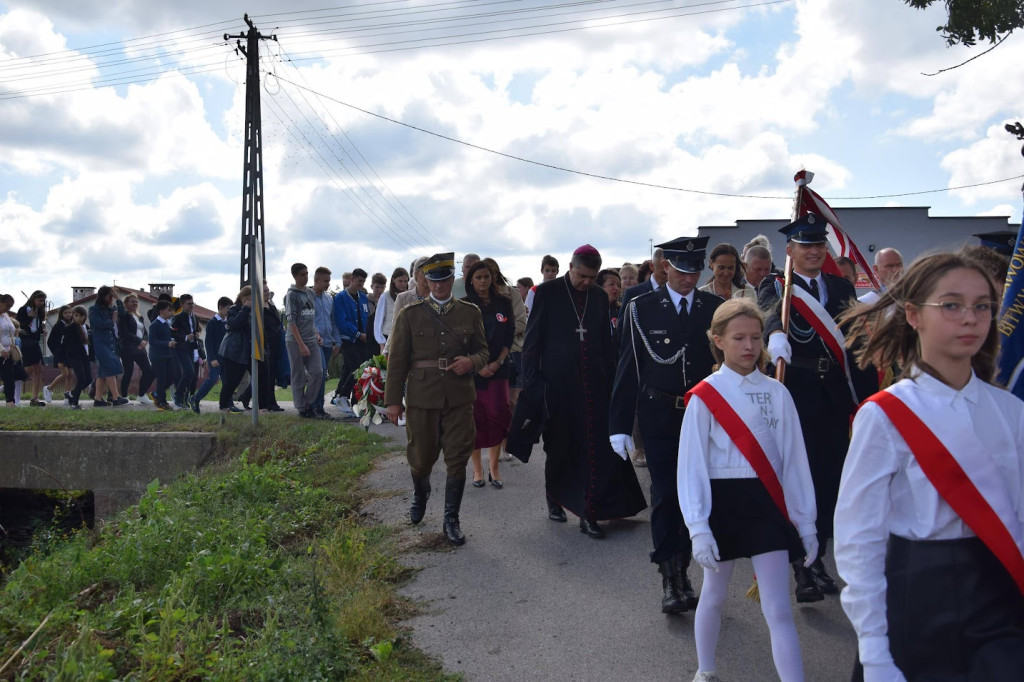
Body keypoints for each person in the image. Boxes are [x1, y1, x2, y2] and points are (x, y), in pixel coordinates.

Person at [835, 252, 1024, 681]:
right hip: (916, 599)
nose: (971, 318)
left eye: (982, 306)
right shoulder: (885, 415)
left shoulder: (1011, 412)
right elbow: (858, 539)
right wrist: (875, 652)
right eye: (952, 305)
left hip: (1000, 599)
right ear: (914, 315)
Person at [679, 299, 817, 682]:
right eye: (738, 337)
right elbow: (691, 467)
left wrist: (806, 523)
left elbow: (794, 463)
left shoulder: (778, 393)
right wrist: (698, 526)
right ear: (717, 340)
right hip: (722, 504)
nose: (749, 346)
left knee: (778, 608)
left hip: (766, 504)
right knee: (715, 594)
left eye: (756, 337)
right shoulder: (706, 395)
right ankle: (705, 671)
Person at [758, 213, 878, 602]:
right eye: (805, 245)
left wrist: (864, 398)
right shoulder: (777, 284)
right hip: (797, 394)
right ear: (790, 251)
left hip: (833, 396)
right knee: (797, 478)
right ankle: (800, 565)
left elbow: (854, 341)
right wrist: (775, 334)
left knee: (829, 481)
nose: (813, 251)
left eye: (818, 245)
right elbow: (768, 313)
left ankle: (817, 556)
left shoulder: (841, 286)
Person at [610, 236, 722, 614]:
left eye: (695, 271)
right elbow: (629, 365)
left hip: (704, 415)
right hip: (659, 414)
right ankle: (669, 576)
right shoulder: (640, 307)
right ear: (665, 267)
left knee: (697, 495)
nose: (690, 279)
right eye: (682, 271)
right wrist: (620, 423)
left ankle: (686, 570)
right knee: (666, 495)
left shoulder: (715, 307)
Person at [519, 244, 647, 539]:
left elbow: (605, 342)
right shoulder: (548, 293)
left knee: (593, 449)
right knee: (558, 446)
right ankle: (555, 498)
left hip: (594, 386)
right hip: (557, 386)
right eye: (582, 276)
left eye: (592, 277)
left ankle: (589, 512)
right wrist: (532, 383)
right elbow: (532, 340)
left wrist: (615, 383)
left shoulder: (599, 297)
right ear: (571, 266)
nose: (587, 282)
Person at [384, 252, 489, 546]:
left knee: (457, 457)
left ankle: (451, 519)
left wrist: (472, 362)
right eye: (434, 280)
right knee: (420, 457)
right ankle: (421, 492)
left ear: (451, 280)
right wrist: (393, 401)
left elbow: (483, 351)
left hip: (458, 397)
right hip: (421, 398)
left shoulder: (470, 313)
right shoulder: (410, 314)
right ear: (425, 281)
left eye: (445, 279)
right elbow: (397, 361)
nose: (440, 285)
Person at [462, 260, 514, 489]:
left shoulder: (504, 302)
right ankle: (477, 470)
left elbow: (509, 336)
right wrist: (478, 365)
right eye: (478, 277)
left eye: (486, 277)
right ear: (471, 281)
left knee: (498, 416)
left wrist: (497, 363)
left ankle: (494, 469)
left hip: (499, 369)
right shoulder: (463, 306)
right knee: (475, 420)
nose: (483, 281)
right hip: (473, 371)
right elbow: (460, 340)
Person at [285, 263, 325, 419]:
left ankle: (309, 403)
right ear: (295, 276)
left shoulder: (309, 293)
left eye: (307, 274)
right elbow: (291, 322)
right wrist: (301, 344)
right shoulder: (291, 295)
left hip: (311, 338)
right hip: (295, 340)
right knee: (298, 374)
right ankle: (301, 408)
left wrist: (316, 333)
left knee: (318, 371)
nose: (305, 277)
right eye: (302, 274)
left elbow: (311, 317)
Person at [333, 267, 371, 416]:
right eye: (359, 280)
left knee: (352, 370)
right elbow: (341, 321)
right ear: (352, 279)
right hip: (349, 339)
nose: (360, 284)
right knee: (357, 368)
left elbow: (366, 317)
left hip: (363, 339)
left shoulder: (363, 298)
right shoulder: (341, 297)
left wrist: (367, 334)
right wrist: (357, 334)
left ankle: (356, 403)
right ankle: (341, 395)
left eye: (363, 281)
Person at [88, 286, 129, 407]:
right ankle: (116, 397)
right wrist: (112, 320)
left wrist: (118, 299)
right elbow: (99, 324)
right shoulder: (94, 309)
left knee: (103, 372)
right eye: (110, 296)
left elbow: (123, 314)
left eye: (113, 296)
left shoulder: (111, 308)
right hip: (100, 343)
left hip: (111, 343)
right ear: (103, 296)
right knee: (111, 367)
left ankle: (98, 399)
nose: (111, 298)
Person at [190, 296, 231, 413]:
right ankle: (195, 398)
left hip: (225, 357)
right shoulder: (213, 322)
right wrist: (211, 358)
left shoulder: (227, 322)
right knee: (212, 379)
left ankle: (228, 404)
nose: (229, 311)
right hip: (216, 358)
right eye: (228, 308)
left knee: (227, 381)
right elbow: (209, 342)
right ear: (221, 307)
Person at [218, 287, 252, 414]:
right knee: (232, 381)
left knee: (260, 376)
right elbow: (234, 324)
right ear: (242, 298)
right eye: (249, 298)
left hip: (248, 350)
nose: (251, 301)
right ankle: (223, 405)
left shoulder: (254, 310)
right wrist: (245, 308)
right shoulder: (234, 309)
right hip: (233, 351)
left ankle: (246, 398)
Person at [311, 266, 340, 418]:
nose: (328, 284)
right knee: (319, 373)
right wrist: (315, 334)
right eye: (325, 281)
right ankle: (316, 407)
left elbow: (333, 321)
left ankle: (316, 406)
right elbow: (307, 320)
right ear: (316, 280)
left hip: (328, 342)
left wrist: (337, 342)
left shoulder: (329, 299)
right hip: (315, 342)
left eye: (329, 281)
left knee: (322, 374)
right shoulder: (308, 297)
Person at [118, 294, 154, 402]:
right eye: (132, 301)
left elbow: (145, 332)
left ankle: (142, 395)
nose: (134, 303)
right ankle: (124, 397)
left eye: (136, 302)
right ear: (126, 303)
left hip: (140, 348)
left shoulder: (139, 317)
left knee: (148, 371)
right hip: (128, 347)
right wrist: (139, 341)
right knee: (128, 372)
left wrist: (145, 341)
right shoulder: (124, 315)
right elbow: (124, 332)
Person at [170, 294, 205, 408]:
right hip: (180, 349)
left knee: (191, 375)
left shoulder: (194, 317)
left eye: (192, 303)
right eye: (189, 304)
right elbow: (172, 333)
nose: (191, 306)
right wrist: (185, 337)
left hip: (191, 348)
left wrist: (196, 335)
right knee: (188, 372)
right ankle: (177, 395)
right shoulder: (178, 317)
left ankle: (184, 398)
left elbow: (194, 331)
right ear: (182, 304)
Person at [16, 290, 47, 406]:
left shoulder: (39, 311)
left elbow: (37, 327)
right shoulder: (24, 310)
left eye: (43, 301)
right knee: (29, 368)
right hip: (26, 340)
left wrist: (42, 330)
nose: (41, 303)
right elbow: (19, 325)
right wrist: (29, 318)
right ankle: (13, 381)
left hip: (34, 340)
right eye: (40, 300)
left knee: (38, 368)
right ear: (33, 299)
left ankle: (35, 398)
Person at [147, 300, 179, 412]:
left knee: (173, 376)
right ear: (161, 311)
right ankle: (162, 402)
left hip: (168, 354)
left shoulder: (166, 324)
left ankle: (156, 394)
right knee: (162, 378)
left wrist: (172, 341)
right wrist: (167, 343)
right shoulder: (155, 324)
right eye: (168, 310)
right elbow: (152, 341)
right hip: (157, 355)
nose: (171, 312)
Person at [61, 306, 92, 410]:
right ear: (73, 316)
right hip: (74, 356)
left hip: (85, 356)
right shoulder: (70, 328)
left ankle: (71, 394)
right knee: (81, 378)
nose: (79, 318)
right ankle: (75, 403)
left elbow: (88, 343)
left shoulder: (86, 327)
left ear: (85, 316)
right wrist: (64, 360)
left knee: (88, 379)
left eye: (81, 316)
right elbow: (65, 344)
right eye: (76, 315)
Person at [374, 267, 409, 352]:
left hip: (406, 338)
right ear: (393, 280)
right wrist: (381, 343)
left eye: (405, 281)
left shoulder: (410, 296)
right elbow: (378, 322)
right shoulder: (385, 297)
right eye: (400, 281)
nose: (403, 284)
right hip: (388, 338)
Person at [44, 305, 74, 403]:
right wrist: (57, 352)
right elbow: (50, 342)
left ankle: (67, 396)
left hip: (69, 353)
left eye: (70, 312)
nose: (68, 314)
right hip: (61, 354)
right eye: (66, 313)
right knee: (65, 374)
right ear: (61, 314)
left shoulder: (72, 324)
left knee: (70, 375)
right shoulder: (59, 325)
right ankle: (49, 388)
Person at [0, 294, 19, 405]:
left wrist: (12, 345)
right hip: (2, 351)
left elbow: (12, 330)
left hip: (8, 352)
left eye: (10, 307)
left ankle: (10, 402)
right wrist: (1, 349)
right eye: (7, 306)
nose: (8, 309)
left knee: (9, 378)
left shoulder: (5, 316)